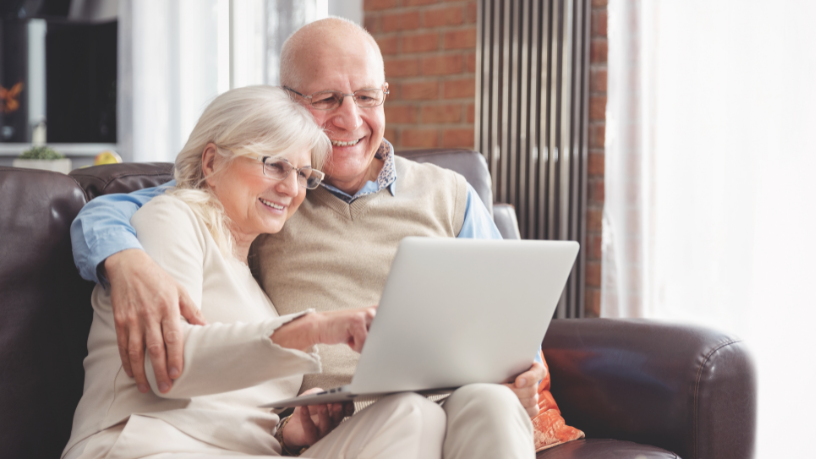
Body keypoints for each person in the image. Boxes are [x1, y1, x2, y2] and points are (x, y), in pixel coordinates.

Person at [71, 18, 542, 458]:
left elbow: (508, 307)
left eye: (367, 97)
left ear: (385, 97)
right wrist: (122, 258)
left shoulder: (448, 194)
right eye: (327, 99)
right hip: (355, 424)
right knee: (410, 414)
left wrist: (525, 367)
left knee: (493, 405)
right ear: (290, 103)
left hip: (444, 402)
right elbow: (125, 206)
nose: (351, 119)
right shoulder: (244, 208)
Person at [63, 85, 454, 459]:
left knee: (412, 414)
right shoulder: (170, 219)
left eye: (303, 174)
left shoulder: (255, 285)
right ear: (212, 161)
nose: (291, 188)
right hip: (148, 445)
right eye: (275, 165)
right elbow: (166, 365)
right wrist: (314, 328)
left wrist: (289, 432)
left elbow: (236, 405)